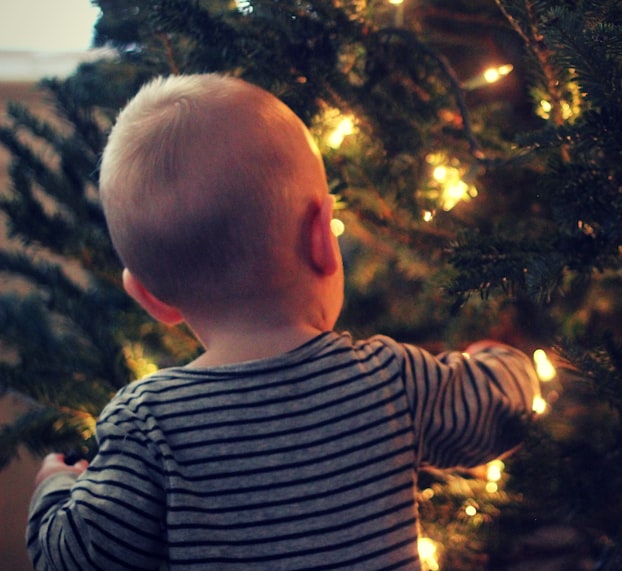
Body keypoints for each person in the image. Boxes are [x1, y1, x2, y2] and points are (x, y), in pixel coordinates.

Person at [26, 73, 540, 570]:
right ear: (322, 236)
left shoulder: (147, 421)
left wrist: (56, 486)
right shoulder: (389, 379)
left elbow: (76, 556)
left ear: (151, 298)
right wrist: (494, 360)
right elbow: (503, 408)